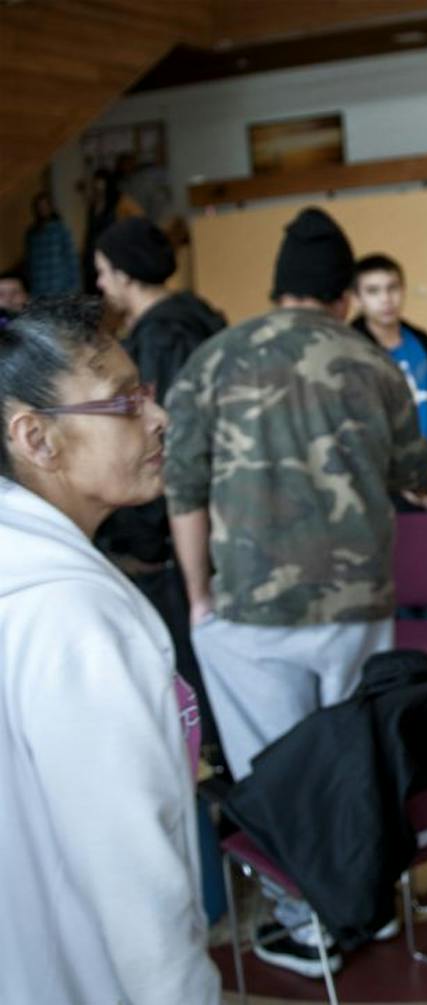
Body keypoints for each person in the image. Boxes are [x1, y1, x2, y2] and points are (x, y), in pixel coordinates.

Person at [164, 206, 427, 978]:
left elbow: (181, 485)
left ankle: (310, 921)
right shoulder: (372, 362)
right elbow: (418, 481)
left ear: (279, 285)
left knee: (278, 768)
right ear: (344, 295)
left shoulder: (216, 358)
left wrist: (197, 594)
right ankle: (370, 898)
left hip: (254, 608)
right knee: (350, 754)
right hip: (359, 604)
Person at [0, 296, 220, 1004]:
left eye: (145, 393)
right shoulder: (69, 612)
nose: (157, 417)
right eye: (122, 403)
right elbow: (132, 871)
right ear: (36, 438)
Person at [92, 217, 228, 761]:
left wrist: (142, 543)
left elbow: (162, 450)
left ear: (125, 274)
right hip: (215, 526)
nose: (100, 284)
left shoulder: (160, 339)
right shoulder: (208, 323)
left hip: (174, 543)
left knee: (194, 702)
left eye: (103, 272)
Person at [349, 252, 427, 510]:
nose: (386, 299)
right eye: (373, 291)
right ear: (357, 298)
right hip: (388, 499)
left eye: (392, 288)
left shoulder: (426, 345)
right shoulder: (351, 352)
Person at [24, 191, 80, 297]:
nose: (42, 210)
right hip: (39, 290)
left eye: (44, 206)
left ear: (50, 207)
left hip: (60, 288)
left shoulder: (61, 230)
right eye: (39, 207)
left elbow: (72, 259)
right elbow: (29, 263)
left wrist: (73, 288)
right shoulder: (31, 234)